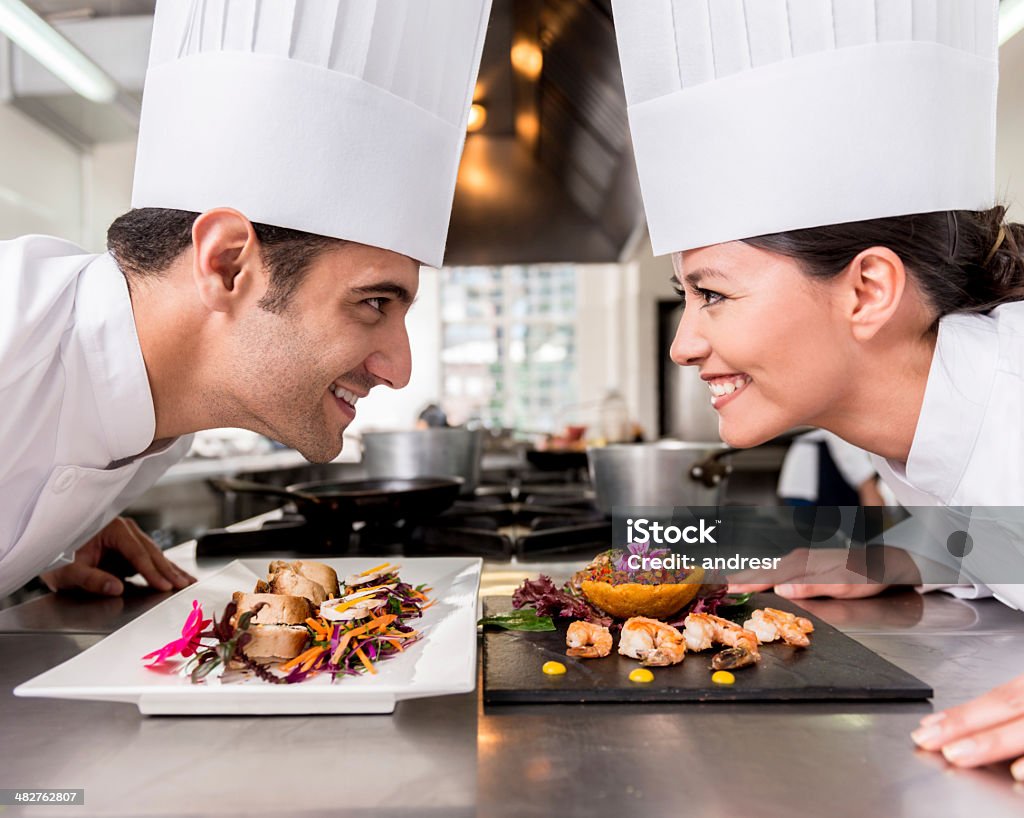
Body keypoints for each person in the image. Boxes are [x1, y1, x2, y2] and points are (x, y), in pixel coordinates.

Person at [612, 0, 1024, 778]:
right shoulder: (936, 417)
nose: (683, 345)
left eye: (713, 295)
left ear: (867, 290)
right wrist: (900, 554)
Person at [0, 0, 491, 601]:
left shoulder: (164, 412)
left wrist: (42, 536)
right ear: (227, 263)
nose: (400, 370)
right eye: (372, 303)